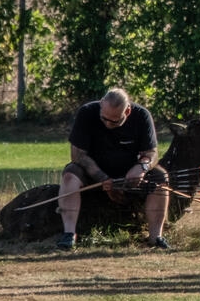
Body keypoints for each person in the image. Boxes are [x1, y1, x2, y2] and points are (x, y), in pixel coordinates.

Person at [57, 87, 171, 249]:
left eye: (115, 121)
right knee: (70, 175)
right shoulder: (87, 112)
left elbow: (151, 153)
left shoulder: (142, 116)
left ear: (128, 111)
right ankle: (69, 234)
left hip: (129, 174)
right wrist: (102, 178)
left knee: (161, 177)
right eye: (104, 119)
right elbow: (78, 155)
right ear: (101, 104)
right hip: (93, 174)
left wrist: (142, 167)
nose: (109, 124)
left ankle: (156, 237)